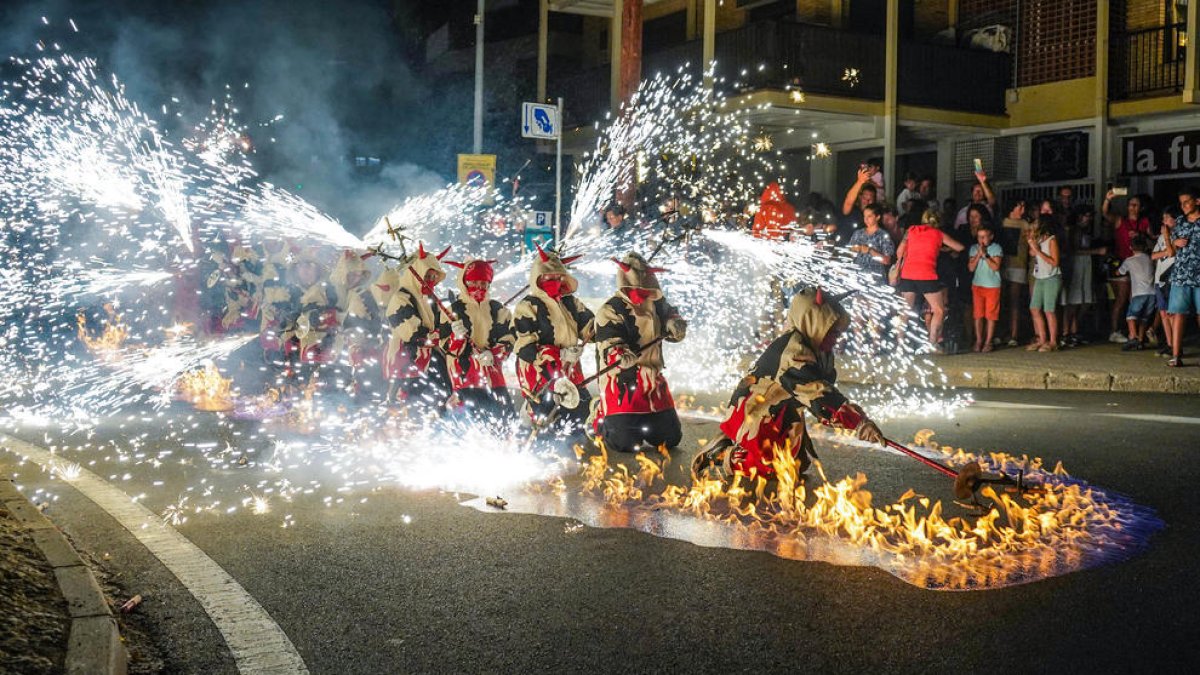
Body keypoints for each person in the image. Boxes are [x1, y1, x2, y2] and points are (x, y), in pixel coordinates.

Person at [690, 286, 884, 482]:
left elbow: (823, 393)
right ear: (814, 323)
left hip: (782, 412)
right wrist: (858, 421)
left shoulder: (820, 351)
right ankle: (722, 456)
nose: (837, 336)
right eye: (832, 331)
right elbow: (819, 394)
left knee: (794, 467)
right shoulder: (795, 352)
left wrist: (854, 420)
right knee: (767, 467)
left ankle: (746, 450)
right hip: (757, 411)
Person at [591, 253, 687, 453]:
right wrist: (620, 354)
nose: (642, 292)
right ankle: (599, 415)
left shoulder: (657, 303)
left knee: (670, 439)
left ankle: (647, 421)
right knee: (624, 443)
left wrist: (674, 324)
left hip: (653, 381)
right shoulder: (611, 309)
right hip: (623, 383)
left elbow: (671, 313)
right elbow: (607, 341)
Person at [513, 245, 595, 435]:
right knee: (545, 422)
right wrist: (558, 354)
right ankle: (529, 414)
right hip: (540, 374)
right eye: (549, 277)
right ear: (538, 278)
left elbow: (591, 328)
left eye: (558, 277)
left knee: (581, 418)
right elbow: (524, 346)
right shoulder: (527, 306)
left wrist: (604, 327)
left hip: (571, 372)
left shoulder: (571, 303)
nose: (555, 281)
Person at [440, 258, 516, 423]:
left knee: (505, 417)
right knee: (472, 420)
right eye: (474, 282)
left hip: (493, 374)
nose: (479, 288)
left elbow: (510, 338)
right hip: (465, 376)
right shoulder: (452, 311)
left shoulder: (499, 310)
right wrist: (457, 337)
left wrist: (494, 354)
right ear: (464, 283)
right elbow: (446, 347)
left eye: (484, 283)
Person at [383, 242, 452, 411]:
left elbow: (438, 326)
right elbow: (412, 332)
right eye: (427, 276)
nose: (431, 281)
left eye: (433, 278)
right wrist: (434, 335)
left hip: (426, 357)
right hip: (406, 357)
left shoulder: (426, 300)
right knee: (407, 401)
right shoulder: (400, 297)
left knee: (440, 392)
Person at [895, 209, 965, 352]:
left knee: (905, 311)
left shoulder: (911, 230)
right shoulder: (938, 234)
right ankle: (932, 343)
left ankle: (899, 345)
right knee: (939, 310)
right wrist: (942, 248)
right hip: (926, 274)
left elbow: (899, 252)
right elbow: (960, 247)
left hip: (908, 273)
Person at [329, 250, 384, 400]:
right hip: (331, 350)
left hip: (357, 350)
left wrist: (362, 329)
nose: (355, 279)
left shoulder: (364, 294)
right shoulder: (330, 293)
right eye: (351, 274)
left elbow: (376, 323)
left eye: (359, 275)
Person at [1102, 189, 1152, 343]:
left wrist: (1141, 236)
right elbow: (1105, 214)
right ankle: (1114, 331)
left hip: (1139, 265)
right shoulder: (1120, 220)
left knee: (1134, 299)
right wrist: (1107, 200)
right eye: (1130, 204)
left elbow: (1151, 242)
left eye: (1136, 205)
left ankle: (1135, 333)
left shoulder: (1144, 222)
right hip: (1122, 262)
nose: (1132, 207)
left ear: (1141, 207)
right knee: (1121, 299)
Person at [1061, 208, 1104, 348]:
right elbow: (1073, 250)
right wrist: (1096, 251)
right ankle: (1066, 332)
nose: (1089, 219)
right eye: (1087, 216)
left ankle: (1073, 331)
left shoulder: (1085, 231)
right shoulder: (1074, 230)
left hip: (1085, 266)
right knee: (1073, 301)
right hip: (1077, 266)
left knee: (1082, 301)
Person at [1167, 187, 1200, 367]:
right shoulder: (1179, 222)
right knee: (1178, 314)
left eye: (1187, 202)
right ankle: (1176, 355)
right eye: (1181, 203)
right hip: (1181, 275)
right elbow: (1171, 250)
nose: (1184, 206)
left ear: (1197, 201)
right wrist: (1174, 241)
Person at [1026, 214, 1062, 352]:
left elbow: (1055, 262)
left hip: (1051, 277)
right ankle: (1042, 339)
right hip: (1040, 277)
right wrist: (1032, 242)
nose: (1034, 225)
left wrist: (1038, 251)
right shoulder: (1039, 239)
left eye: (1036, 223)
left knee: (1049, 310)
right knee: (1034, 308)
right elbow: (1031, 254)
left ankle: (1053, 341)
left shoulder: (1052, 240)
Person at [968, 224, 1003, 352]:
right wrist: (978, 255)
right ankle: (979, 340)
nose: (981, 240)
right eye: (979, 237)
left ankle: (988, 342)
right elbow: (971, 268)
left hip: (992, 286)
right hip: (977, 285)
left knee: (991, 315)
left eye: (984, 237)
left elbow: (995, 267)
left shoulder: (996, 248)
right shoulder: (973, 248)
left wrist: (986, 255)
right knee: (978, 314)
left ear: (991, 237)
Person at [1000, 200, 1030, 347]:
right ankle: (1003, 332)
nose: (1023, 209)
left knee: (1014, 301)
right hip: (1002, 265)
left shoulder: (1025, 224)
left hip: (1019, 265)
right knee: (1002, 300)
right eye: (1020, 206)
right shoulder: (1002, 222)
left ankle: (1014, 334)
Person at [1151, 206, 1180, 356]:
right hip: (1159, 277)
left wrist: (1167, 238)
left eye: (1167, 218)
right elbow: (1153, 255)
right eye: (1163, 218)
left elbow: (1171, 252)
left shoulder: (1178, 235)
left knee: (1172, 314)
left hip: (1171, 278)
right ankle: (1169, 344)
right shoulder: (1162, 237)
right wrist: (1166, 246)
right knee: (1163, 313)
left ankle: (1176, 346)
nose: (1164, 221)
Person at [1119, 235, 1155, 351]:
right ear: (1145, 247)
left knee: (1131, 316)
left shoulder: (1129, 261)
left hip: (1139, 293)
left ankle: (1133, 337)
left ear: (1130, 247)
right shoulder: (1150, 258)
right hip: (1152, 293)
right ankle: (1140, 340)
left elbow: (1120, 272)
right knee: (1144, 318)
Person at [846, 203, 895, 283]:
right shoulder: (858, 233)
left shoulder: (883, 235)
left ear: (877, 217)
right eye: (864, 216)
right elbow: (848, 254)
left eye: (869, 216)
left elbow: (887, 261)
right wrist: (853, 249)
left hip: (875, 279)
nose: (866, 219)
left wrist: (870, 251)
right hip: (857, 277)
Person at [840, 164, 879, 243]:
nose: (867, 201)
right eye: (865, 198)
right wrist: (860, 182)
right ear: (860, 197)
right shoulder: (853, 211)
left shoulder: (877, 215)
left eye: (870, 199)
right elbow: (848, 201)